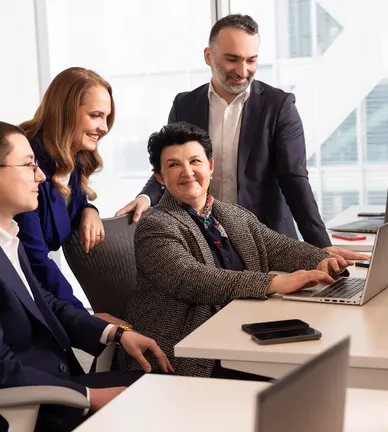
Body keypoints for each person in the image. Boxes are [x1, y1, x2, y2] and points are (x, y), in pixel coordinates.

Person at [0, 120, 173, 432]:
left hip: (52, 389)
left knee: (164, 384)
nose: (40, 175)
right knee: (163, 402)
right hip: (23, 412)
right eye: (28, 165)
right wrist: (89, 396)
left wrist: (114, 334)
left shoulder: (2, 233)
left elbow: (46, 304)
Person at [115, 14, 365, 261]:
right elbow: (170, 165)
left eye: (251, 60)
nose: (243, 71)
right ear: (208, 56)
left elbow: (294, 180)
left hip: (267, 242)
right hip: (204, 243)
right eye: (232, 59)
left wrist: (320, 247)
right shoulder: (185, 104)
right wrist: (145, 198)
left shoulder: (279, 106)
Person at [116, 122, 348, 378]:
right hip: (184, 354)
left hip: (238, 333)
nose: (187, 172)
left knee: (321, 354)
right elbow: (190, 279)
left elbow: (278, 248)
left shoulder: (231, 214)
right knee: (302, 373)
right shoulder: (155, 224)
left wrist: (323, 259)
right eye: (173, 165)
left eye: (195, 161)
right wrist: (275, 283)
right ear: (160, 177)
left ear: (210, 166)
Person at [15, 66, 128, 325]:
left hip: (34, 284)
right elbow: (33, 256)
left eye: (106, 117)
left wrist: (89, 209)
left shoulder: (72, 155)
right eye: (95, 115)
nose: (104, 127)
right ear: (65, 111)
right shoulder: (27, 159)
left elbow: (69, 202)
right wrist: (83, 315)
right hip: (13, 291)